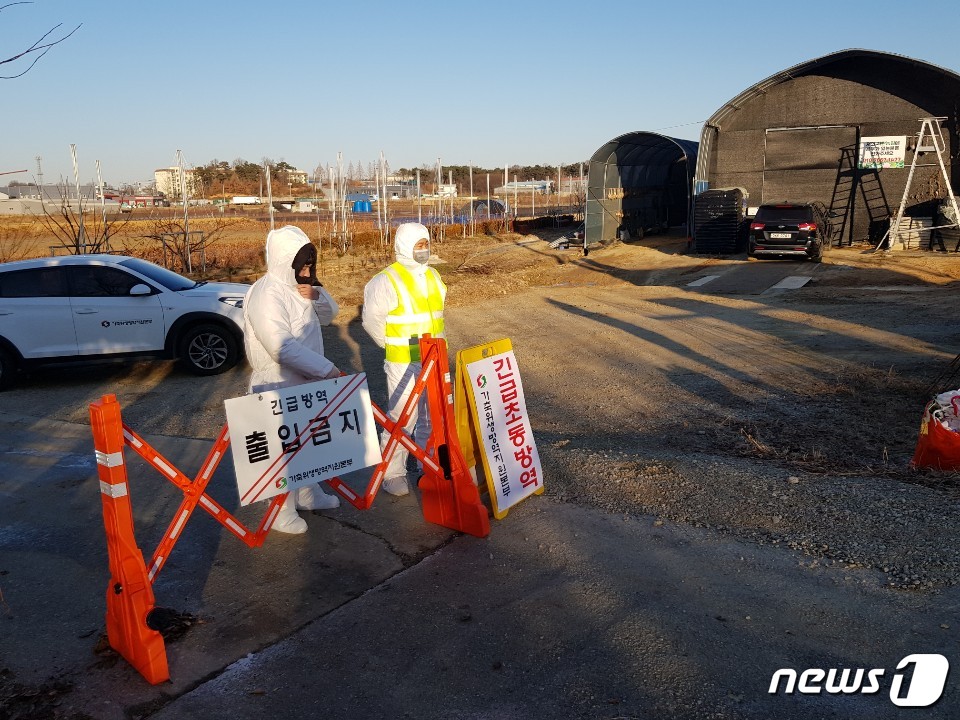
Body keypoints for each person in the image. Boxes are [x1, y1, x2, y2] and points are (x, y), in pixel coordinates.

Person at [243, 225, 342, 534]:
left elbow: (327, 316)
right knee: (279, 451)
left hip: (305, 381)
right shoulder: (266, 293)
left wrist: (317, 292)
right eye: (302, 266)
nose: (306, 271)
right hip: (276, 383)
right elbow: (280, 346)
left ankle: (309, 493)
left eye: (310, 266)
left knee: (306, 444)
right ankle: (279, 510)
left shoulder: (298, 288)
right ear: (286, 262)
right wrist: (327, 370)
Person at [362, 222, 446, 496]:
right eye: (418, 245)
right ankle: (392, 472)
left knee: (431, 416)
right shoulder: (386, 280)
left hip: (433, 357)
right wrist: (392, 347)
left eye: (426, 244)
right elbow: (372, 321)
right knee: (402, 418)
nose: (424, 250)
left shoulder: (433, 275)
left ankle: (427, 463)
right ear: (404, 246)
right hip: (403, 360)